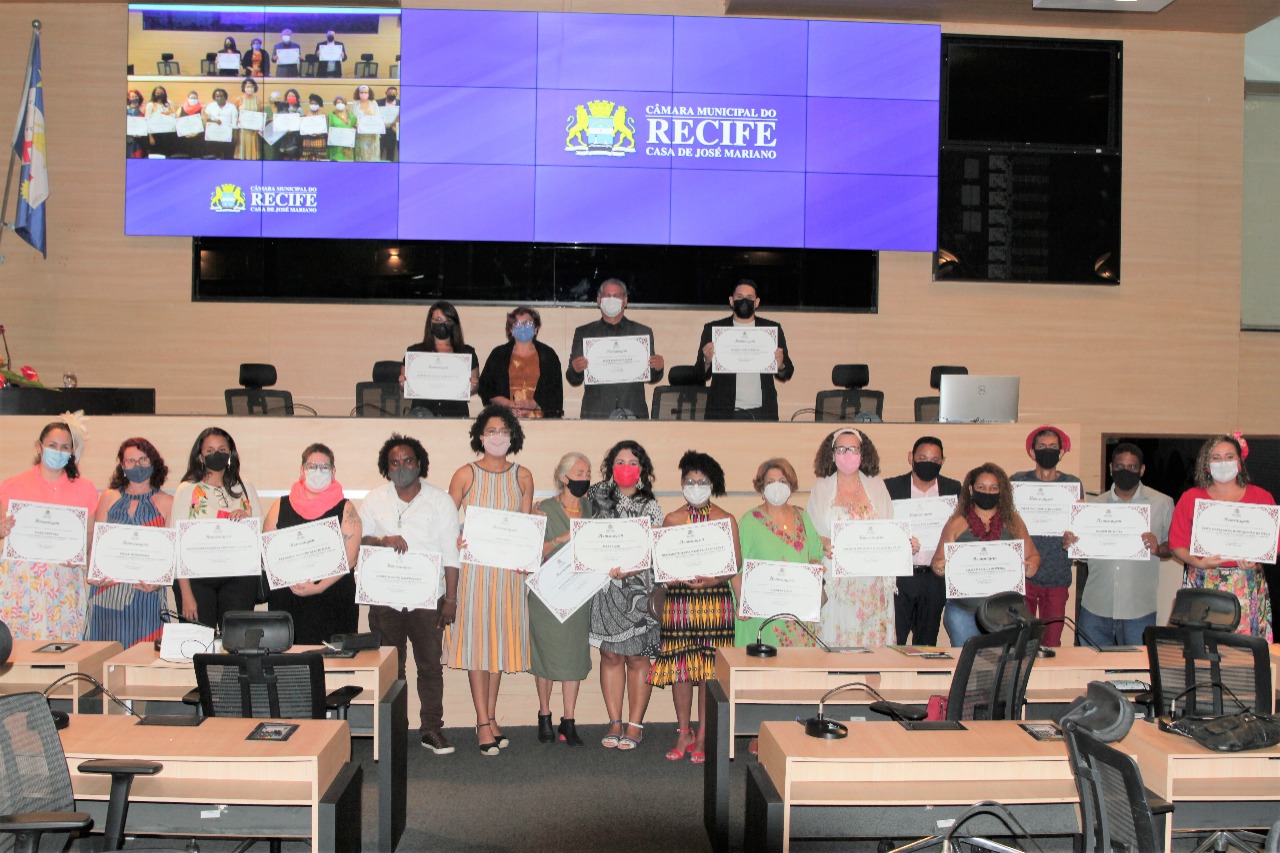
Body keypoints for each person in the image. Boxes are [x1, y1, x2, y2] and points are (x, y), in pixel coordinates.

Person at [359, 434, 459, 754]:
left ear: (420, 464)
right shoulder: (374, 499)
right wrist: (383, 541)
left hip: (428, 599)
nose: (401, 467)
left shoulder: (440, 501)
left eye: (408, 461)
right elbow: (358, 541)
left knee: (429, 666)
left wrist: (451, 599)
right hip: (385, 598)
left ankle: (431, 728)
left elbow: (451, 554)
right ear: (386, 468)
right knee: (391, 667)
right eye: (394, 463)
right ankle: (394, 730)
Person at [445, 405, 535, 755]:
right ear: (480, 436)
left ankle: (491, 716)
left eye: (504, 431)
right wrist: (455, 538)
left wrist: (527, 556)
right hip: (475, 574)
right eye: (491, 431)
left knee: (499, 645)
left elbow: (525, 527)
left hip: (509, 575)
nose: (498, 437)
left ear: (513, 436)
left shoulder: (523, 475)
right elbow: (445, 521)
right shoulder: (464, 474)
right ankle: (482, 722)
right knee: (477, 646)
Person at [651, 451, 739, 763]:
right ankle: (683, 730)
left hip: (714, 602)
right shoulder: (672, 520)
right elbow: (662, 567)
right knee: (681, 668)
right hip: (680, 602)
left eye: (702, 482)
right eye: (690, 481)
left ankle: (703, 734)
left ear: (712, 485)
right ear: (681, 484)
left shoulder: (726, 520)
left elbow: (734, 564)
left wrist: (713, 579)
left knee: (708, 670)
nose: (696, 487)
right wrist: (677, 576)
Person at [588, 440, 663, 751]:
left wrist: (629, 570)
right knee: (610, 655)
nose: (626, 468)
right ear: (610, 467)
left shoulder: (651, 506)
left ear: (642, 469)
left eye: (633, 462)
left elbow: (654, 549)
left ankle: (635, 724)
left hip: (638, 590)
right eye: (620, 462)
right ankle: (614, 721)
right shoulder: (596, 497)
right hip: (605, 589)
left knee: (637, 656)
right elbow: (582, 532)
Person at [1062, 443, 1173, 647]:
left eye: (1132, 467)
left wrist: (1158, 548)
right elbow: (1086, 555)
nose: (1125, 471)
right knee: (1092, 664)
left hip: (1139, 608)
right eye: (1120, 466)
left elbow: (1172, 547)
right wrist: (1073, 544)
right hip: (1096, 606)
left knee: (1137, 665)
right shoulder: (1093, 505)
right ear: (1111, 468)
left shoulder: (1162, 503)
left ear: (1142, 470)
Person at [1169, 432, 1276, 641]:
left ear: (1239, 462)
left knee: (1245, 648)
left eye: (1229, 457)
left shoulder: (1261, 497)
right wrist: (1197, 562)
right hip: (1203, 582)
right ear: (1207, 465)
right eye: (1216, 458)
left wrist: (1256, 559)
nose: (1223, 463)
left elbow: (1273, 543)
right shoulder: (1191, 498)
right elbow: (1176, 543)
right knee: (1202, 647)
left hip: (1246, 583)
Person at [0, 419, 97, 640]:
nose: (58, 451)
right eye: (52, 445)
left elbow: (89, 538)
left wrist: (80, 553)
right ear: (39, 446)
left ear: (72, 452)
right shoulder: (12, 485)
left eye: (65, 447)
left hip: (64, 583)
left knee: (63, 650)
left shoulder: (85, 489)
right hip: (20, 585)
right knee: (20, 650)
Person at [806, 428, 898, 648]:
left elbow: (889, 528)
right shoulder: (821, 487)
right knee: (836, 644)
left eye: (853, 449)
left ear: (863, 453)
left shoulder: (876, 485)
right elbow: (812, 533)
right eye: (841, 449)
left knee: (872, 646)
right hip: (837, 582)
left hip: (872, 582)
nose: (847, 454)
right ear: (832, 454)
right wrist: (824, 543)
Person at [932, 463, 1040, 647]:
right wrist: (939, 568)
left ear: (1001, 491)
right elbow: (937, 561)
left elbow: (1034, 556)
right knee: (968, 661)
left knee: (1002, 662)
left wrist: (1032, 566)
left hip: (1006, 613)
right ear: (971, 489)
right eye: (981, 487)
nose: (987, 492)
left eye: (993, 488)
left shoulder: (1013, 521)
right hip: (964, 612)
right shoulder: (957, 523)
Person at [263, 444, 361, 645]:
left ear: (333, 471)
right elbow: (268, 551)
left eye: (324, 467)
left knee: (333, 659)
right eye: (312, 466)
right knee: (288, 658)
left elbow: (350, 559)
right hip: (288, 597)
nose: (318, 471)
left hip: (332, 599)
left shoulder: (346, 508)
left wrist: (318, 587)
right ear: (302, 470)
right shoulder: (280, 505)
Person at [169, 427, 264, 631]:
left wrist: (247, 520)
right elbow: (177, 544)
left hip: (240, 579)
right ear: (200, 456)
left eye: (222, 450)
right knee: (198, 643)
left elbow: (260, 533)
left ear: (230, 454)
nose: (216, 454)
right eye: (210, 450)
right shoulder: (187, 490)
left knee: (237, 642)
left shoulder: (244, 486)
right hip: (196, 581)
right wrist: (186, 594)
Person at [531, 452, 595, 747]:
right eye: (579, 472)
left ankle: (568, 721)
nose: (585, 478)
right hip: (546, 598)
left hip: (578, 596)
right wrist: (562, 539)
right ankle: (544, 715)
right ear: (563, 476)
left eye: (588, 473)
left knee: (573, 657)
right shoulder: (543, 509)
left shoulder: (592, 509)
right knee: (545, 656)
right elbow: (532, 552)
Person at [85, 438, 174, 648]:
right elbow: (96, 545)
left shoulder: (168, 502)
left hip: (146, 596)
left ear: (153, 463)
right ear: (122, 466)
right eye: (131, 461)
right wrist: (93, 573)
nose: (137, 465)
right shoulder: (108, 498)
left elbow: (170, 553)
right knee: (106, 656)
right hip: (107, 594)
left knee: (145, 658)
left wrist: (158, 582)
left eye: (143, 459)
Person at [733, 458, 824, 648]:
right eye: (770, 482)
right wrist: (742, 601)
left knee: (798, 665)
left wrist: (815, 568)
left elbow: (815, 555)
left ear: (791, 485)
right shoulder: (749, 522)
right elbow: (736, 569)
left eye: (782, 481)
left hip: (797, 616)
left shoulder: (803, 517)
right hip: (761, 617)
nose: (777, 486)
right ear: (761, 487)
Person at [883, 436, 962, 646]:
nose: (929, 463)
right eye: (923, 458)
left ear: (943, 461)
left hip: (934, 579)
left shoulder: (953, 489)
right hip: (901, 577)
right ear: (911, 458)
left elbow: (961, 530)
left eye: (935, 460)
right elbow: (881, 527)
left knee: (927, 644)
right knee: (894, 640)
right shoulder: (890, 487)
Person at [1010, 425, 1082, 647]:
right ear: (1032, 453)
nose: (1047, 451)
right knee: (1021, 640)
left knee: (1052, 643)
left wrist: (1073, 540)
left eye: (1052, 447)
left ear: (1061, 452)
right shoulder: (1017, 482)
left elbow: (1079, 528)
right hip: (1023, 575)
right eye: (1042, 447)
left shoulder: (1073, 484)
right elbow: (1007, 523)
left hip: (1057, 575)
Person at [695, 279, 794, 421]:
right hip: (723, 412)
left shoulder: (771, 330)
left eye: (749, 297)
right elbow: (699, 375)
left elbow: (787, 372)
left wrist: (780, 365)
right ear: (731, 300)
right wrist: (707, 361)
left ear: (757, 302)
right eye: (740, 297)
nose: (744, 301)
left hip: (762, 412)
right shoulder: (713, 329)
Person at [566, 279, 664, 419]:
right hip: (596, 413)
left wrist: (658, 368)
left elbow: (651, 376)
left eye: (616, 296)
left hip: (633, 411)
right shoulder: (584, 333)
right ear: (599, 300)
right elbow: (572, 378)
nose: (611, 300)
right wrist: (576, 370)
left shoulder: (642, 332)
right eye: (607, 295)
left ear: (625, 301)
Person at [479, 306, 564, 419]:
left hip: (540, 420)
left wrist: (533, 404)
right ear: (511, 330)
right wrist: (508, 404)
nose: (522, 327)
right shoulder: (498, 354)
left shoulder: (549, 355)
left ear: (536, 329)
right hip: (505, 419)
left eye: (527, 323)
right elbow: (485, 387)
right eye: (517, 324)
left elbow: (555, 391)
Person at [401, 301, 479, 418]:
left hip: (455, 414)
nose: (442, 324)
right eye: (437, 320)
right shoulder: (415, 352)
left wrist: (473, 386)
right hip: (422, 415)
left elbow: (475, 387)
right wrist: (403, 384)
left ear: (454, 323)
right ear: (430, 323)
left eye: (448, 320)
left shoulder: (467, 352)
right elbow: (404, 385)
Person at [235, 77, 265, 161]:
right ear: (244, 87)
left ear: (254, 87)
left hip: (254, 130)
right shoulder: (239, 99)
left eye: (251, 86)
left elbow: (261, 113)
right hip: (243, 130)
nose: (249, 88)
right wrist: (237, 119)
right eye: (247, 86)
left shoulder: (258, 100)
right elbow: (234, 112)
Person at [204, 88, 237, 160]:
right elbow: (206, 119)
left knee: (227, 157)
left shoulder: (232, 107)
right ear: (214, 97)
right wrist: (214, 121)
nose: (219, 98)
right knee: (214, 156)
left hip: (227, 136)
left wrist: (234, 135)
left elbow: (234, 123)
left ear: (225, 97)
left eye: (221, 96)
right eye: (217, 96)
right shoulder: (210, 106)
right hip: (213, 136)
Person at [144, 85, 176, 158]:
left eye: (161, 93)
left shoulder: (169, 103)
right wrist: (150, 136)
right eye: (157, 93)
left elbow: (174, 116)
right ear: (154, 94)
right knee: (157, 154)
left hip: (168, 133)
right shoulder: (150, 105)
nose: (160, 94)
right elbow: (147, 120)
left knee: (168, 153)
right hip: (155, 134)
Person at [353, 84, 382, 162]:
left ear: (369, 93)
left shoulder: (373, 103)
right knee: (362, 155)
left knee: (372, 156)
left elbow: (378, 117)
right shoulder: (355, 103)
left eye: (365, 92)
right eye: (361, 92)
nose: (363, 94)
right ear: (358, 93)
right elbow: (353, 117)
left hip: (372, 134)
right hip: (361, 135)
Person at [274, 88, 303, 161]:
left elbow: (302, 122)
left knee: (294, 155)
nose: (291, 97)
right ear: (286, 97)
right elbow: (279, 120)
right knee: (283, 156)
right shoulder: (282, 108)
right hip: (283, 135)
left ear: (296, 98)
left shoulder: (299, 109)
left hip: (294, 136)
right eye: (289, 96)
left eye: (293, 96)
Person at [174, 91, 205, 158]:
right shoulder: (181, 109)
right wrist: (184, 133)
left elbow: (204, 124)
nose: (193, 100)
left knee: (196, 156)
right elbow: (176, 122)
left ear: (198, 99)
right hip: (184, 137)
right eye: (191, 98)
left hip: (197, 138)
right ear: (188, 99)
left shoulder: (202, 110)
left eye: (195, 98)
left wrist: (195, 133)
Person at [327, 95, 356, 162]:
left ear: (345, 103)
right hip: (336, 145)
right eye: (338, 102)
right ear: (335, 104)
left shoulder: (351, 115)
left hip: (347, 145)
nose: (340, 104)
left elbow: (354, 126)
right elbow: (329, 128)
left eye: (342, 102)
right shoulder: (332, 114)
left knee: (347, 165)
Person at [300, 93, 328, 162]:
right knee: (306, 160)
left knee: (320, 160)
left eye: (315, 104)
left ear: (319, 104)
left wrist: (320, 133)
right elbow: (302, 129)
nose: (313, 105)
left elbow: (326, 129)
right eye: (311, 103)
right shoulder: (305, 115)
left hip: (320, 141)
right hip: (308, 141)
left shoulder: (323, 116)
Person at [377, 86, 399, 162]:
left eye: (394, 94)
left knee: (391, 152)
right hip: (381, 130)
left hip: (393, 131)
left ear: (397, 94)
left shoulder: (400, 103)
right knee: (379, 151)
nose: (392, 95)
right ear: (386, 93)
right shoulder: (378, 102)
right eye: (390, 93)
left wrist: (395, 123)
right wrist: (382, 122)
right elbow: (375, 115)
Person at [126, 90, 147, 159]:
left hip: (140, 138)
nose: (134, 98)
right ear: (129, 98)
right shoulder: (126, 109)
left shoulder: (143, 109)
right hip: (129, 138)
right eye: (132, 97)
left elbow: (146, 123)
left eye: (136, 96)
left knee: (138, 158)